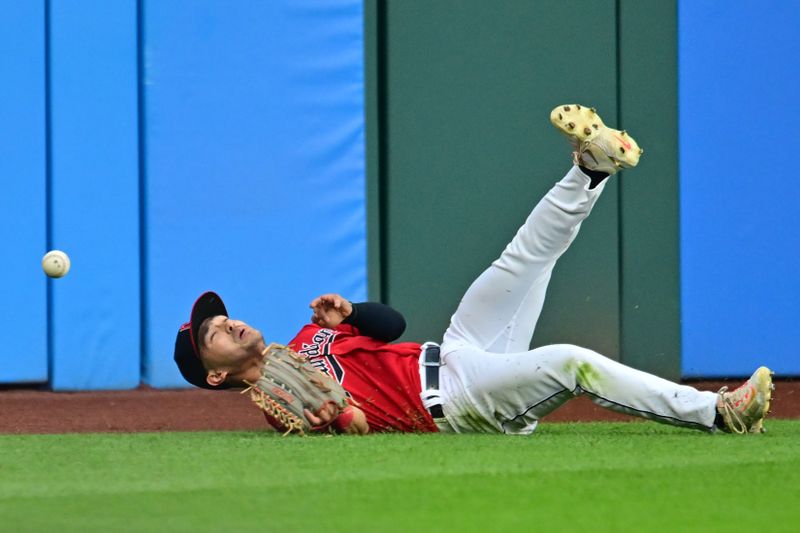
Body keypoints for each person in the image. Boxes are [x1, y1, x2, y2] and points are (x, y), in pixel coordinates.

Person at [174, 104, 773, 436]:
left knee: (521, 261)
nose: (229, 325)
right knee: (570, 362)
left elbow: (393, 325)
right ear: (217, 376)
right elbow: (348, 427)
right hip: (458, 405)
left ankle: (589, 170)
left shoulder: (309, 338)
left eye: (224, 318)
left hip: (459, 351)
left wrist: (352, 313)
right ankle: (717, 412)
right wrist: (343, 423)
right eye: (214, 335)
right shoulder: (278, 403)